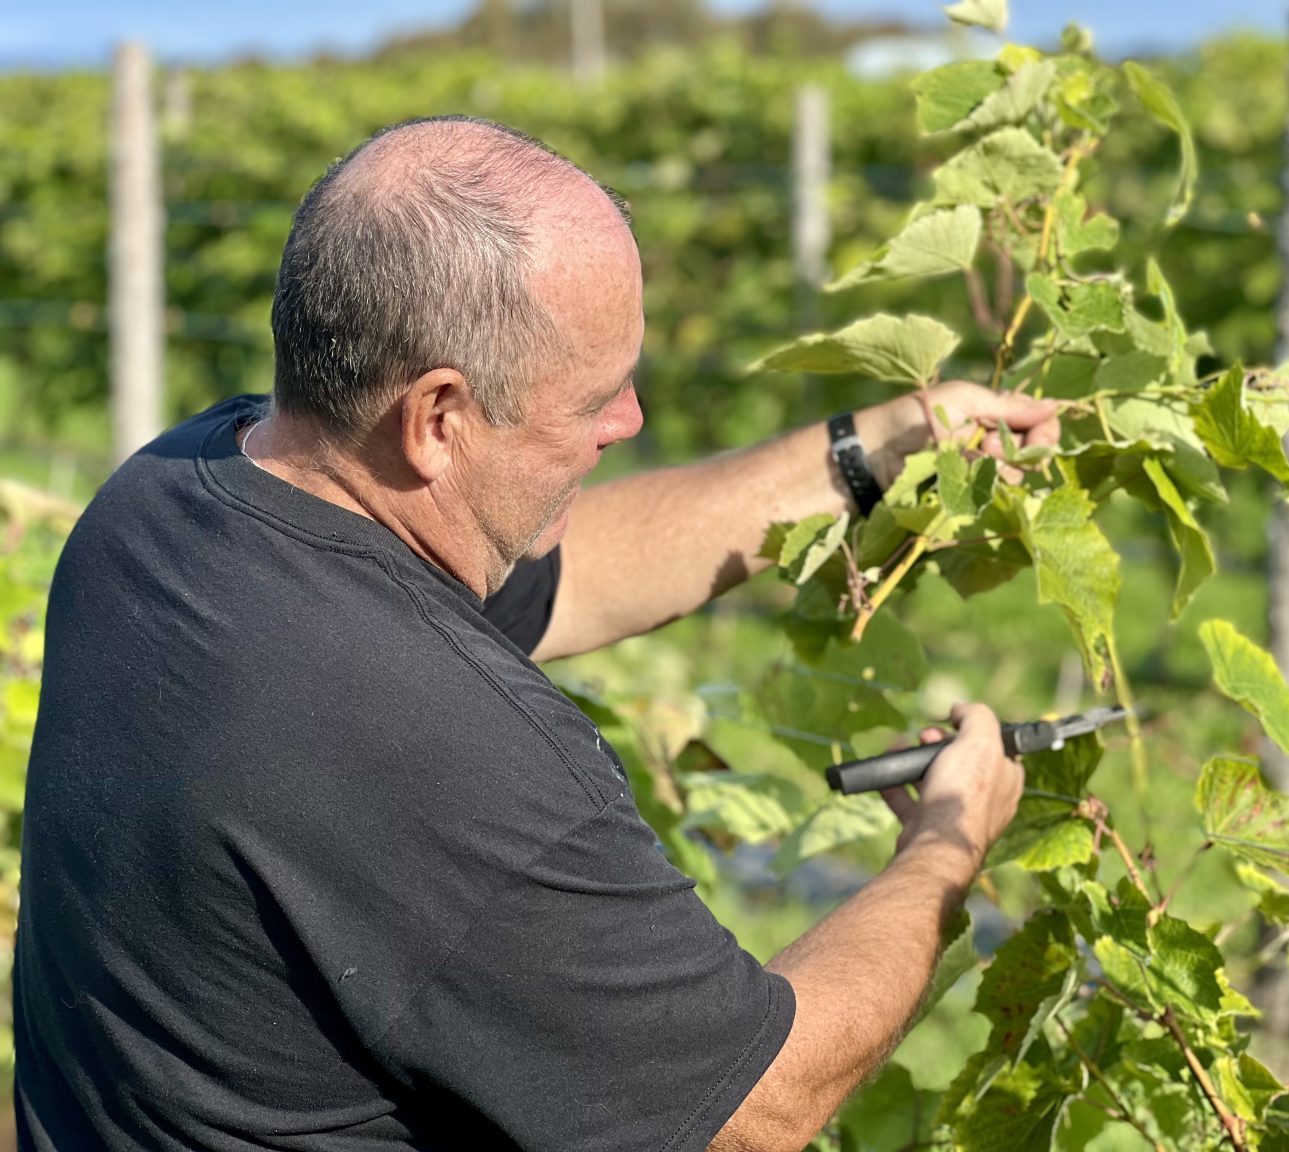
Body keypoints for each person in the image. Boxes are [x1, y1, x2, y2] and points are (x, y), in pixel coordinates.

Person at [14, 116, 1060, 1151]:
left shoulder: (174, 496)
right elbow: (751, 1112)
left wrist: (868, 453)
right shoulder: (439, 752)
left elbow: (574, 573)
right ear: (438, 418)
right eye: (595, 397)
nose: (630, 420)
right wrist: (946, 842)